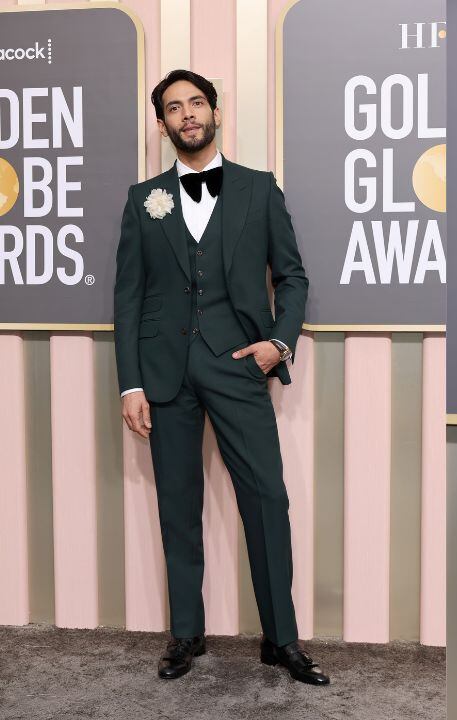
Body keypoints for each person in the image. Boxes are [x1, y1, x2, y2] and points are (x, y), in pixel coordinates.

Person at [113, 69, 327, 684]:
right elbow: (128, 296)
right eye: (174, 107)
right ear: (163, 125)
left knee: (267, 499)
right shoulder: (143, 199)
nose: (187, 114)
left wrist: (278, 344)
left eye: (196, 103)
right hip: (164, 372)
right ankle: (186, 633)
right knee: (177, 504)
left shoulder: (260, 189)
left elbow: (292, 277)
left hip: (238, 365)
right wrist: (131, 383)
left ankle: (281, 639)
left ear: (215, 111)